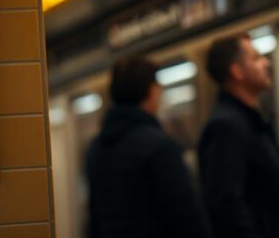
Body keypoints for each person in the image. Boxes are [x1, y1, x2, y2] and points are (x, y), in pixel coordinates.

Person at [198, 34, 279, 238]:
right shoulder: (225, 127)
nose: (266, 62)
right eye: (256, 58)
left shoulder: (252, 121)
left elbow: (256, 189)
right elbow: (227, 206)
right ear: (237, 71)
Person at [86, 55, 211, 238]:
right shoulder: (160, 146)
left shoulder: (96, 148)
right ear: (152, 91)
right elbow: (187, 215)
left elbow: (94, 217)